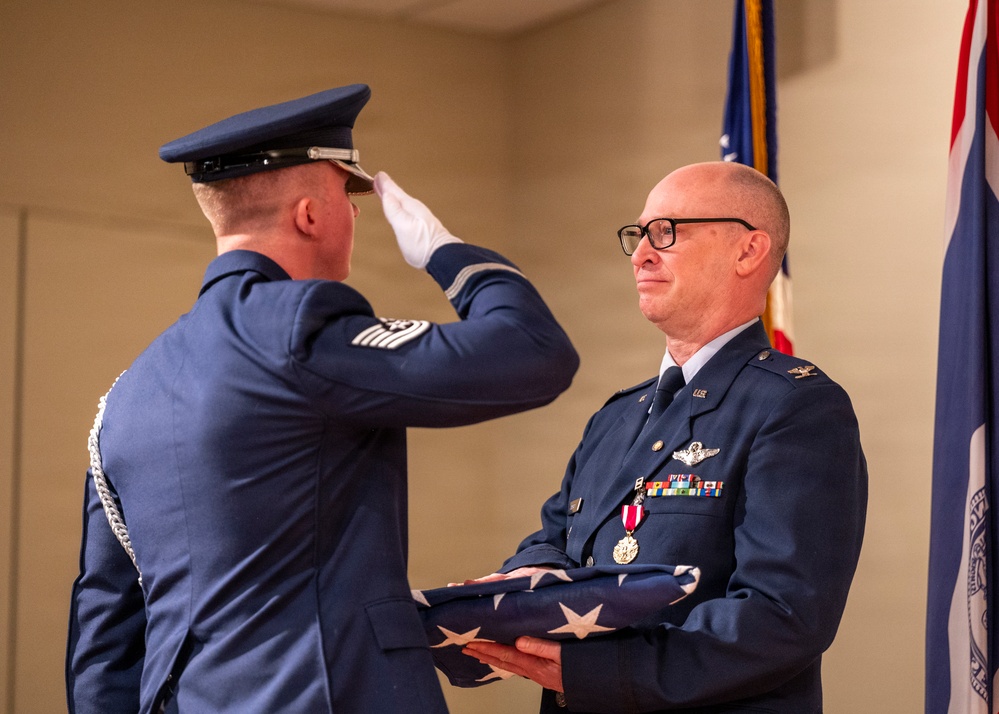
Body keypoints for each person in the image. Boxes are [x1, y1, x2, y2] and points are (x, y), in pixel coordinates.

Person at [65, 83, 579, 714]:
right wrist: (454, 257)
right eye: (346, 194)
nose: (355, 214)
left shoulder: (126, 394)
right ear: (309, 214)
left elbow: (106, 630)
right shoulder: (297, 329)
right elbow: (533, 353)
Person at [463, 161, 867, 713]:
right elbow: (556, 535)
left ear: (748, 252)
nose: (641, 253)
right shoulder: (617, 416)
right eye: (638, 234)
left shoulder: (795, 406)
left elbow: (785, 615)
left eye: (667, 232)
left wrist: (606, 671)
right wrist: (531, 577)